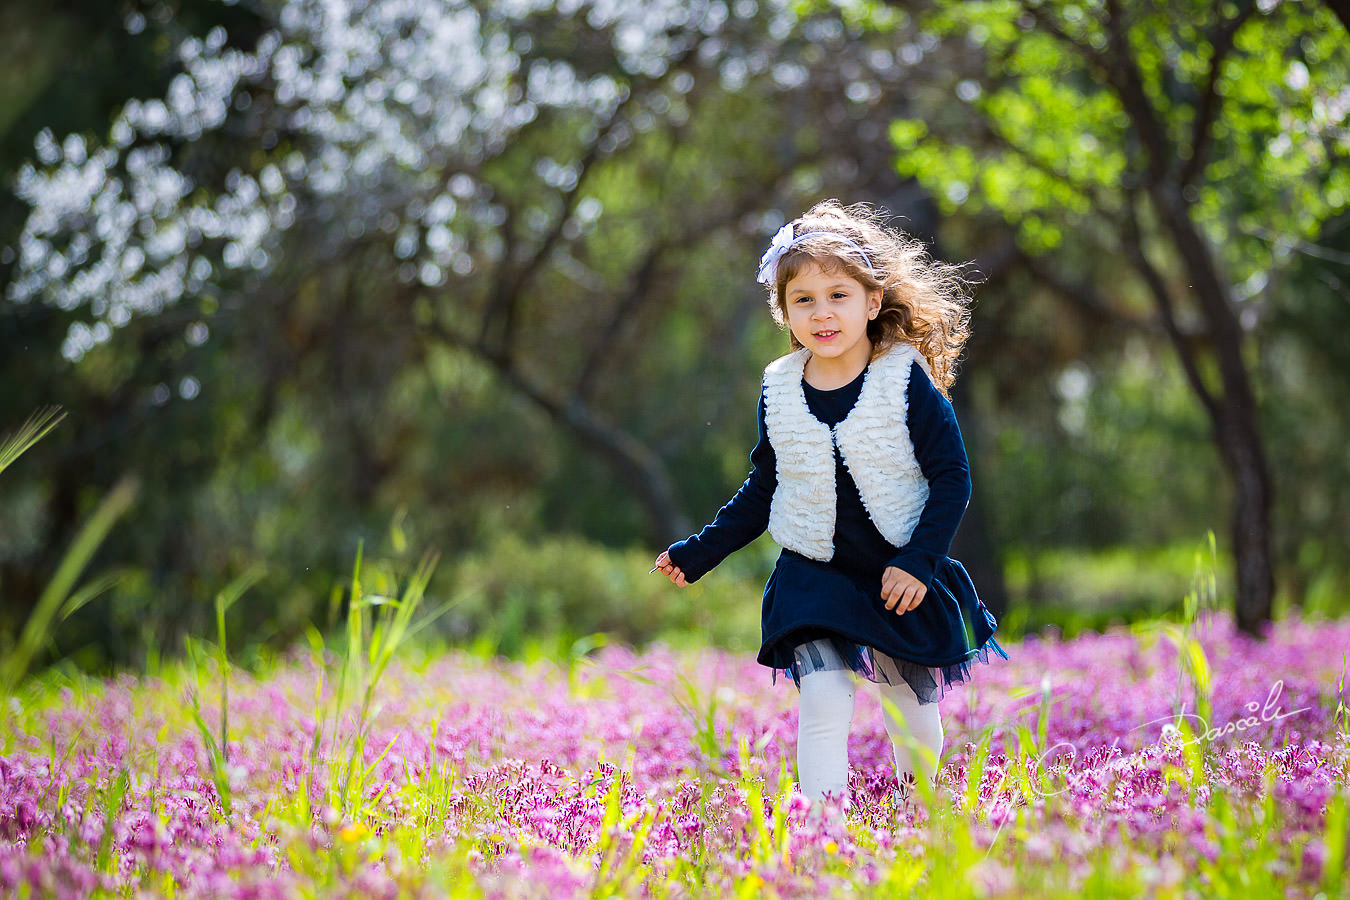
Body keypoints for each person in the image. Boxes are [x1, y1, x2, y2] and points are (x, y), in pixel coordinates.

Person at [651, 199, 1008, 813]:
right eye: (804, 299)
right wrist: (700, 551)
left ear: (871, 302)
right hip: (813, 571)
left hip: (898, 570)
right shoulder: (780, 387)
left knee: (909, 708)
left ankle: (926, 814)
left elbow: (952, 478)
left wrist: (920, 562)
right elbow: (764, 485)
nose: (822, 313)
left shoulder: (905, 378)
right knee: (821, 700)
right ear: (784, 311)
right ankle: (824, 832)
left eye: (839, 295)